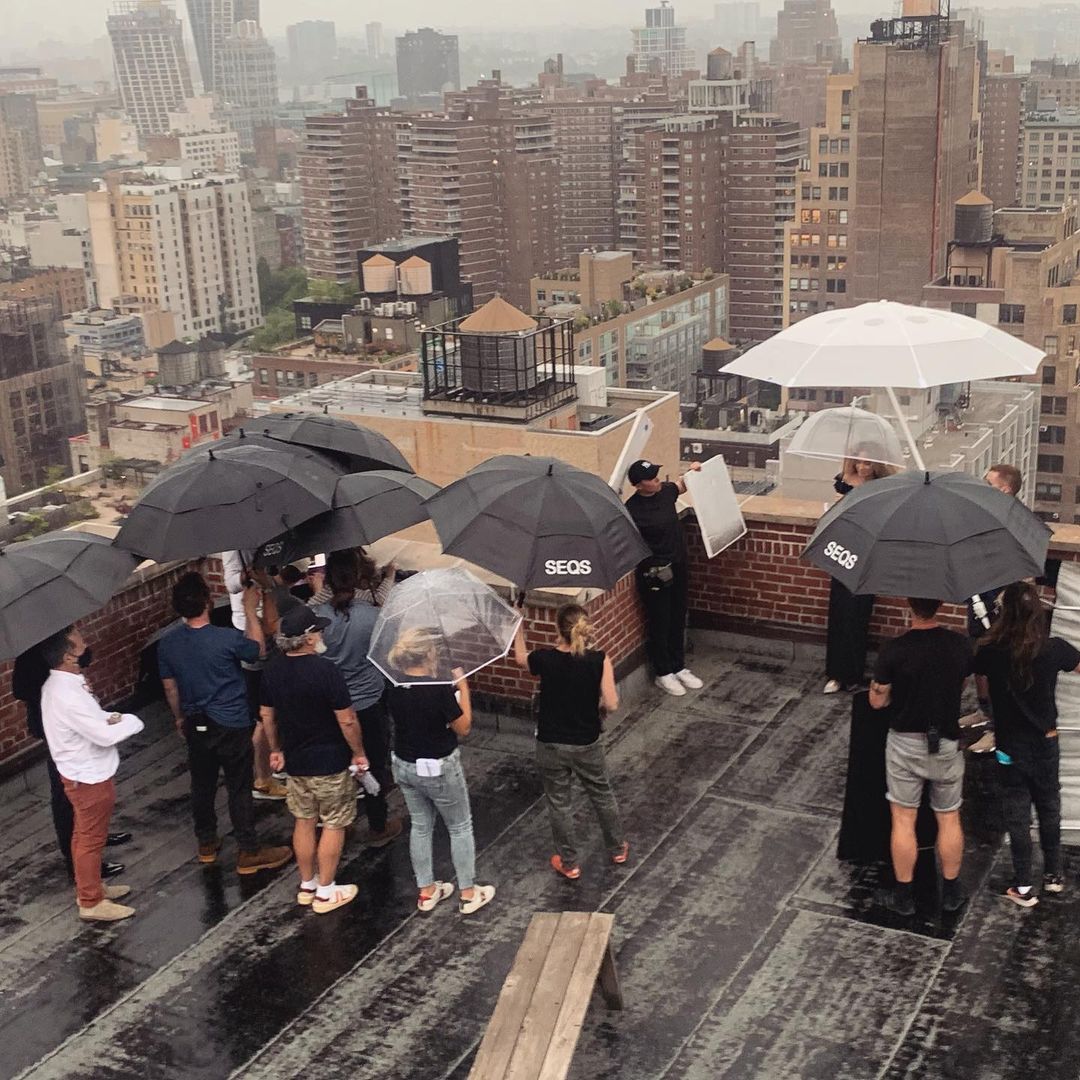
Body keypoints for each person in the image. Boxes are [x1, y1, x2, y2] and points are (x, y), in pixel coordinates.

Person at [157, 571, 292, 875]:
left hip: (195, 720)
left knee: (202, 784)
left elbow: (170, 688)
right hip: (231, 722)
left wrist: (179, 717)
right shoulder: (226, 639)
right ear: (207, 602)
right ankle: (248, 850)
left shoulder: (168, 645)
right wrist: (249, 610)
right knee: (238, 786)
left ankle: (206, 843)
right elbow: (257, 650)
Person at [973, 581, 1079, 907]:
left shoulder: (991, 651)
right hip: (1046, 742)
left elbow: (980, 680)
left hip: (1009, 747)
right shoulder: (1054, 649)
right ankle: (1054, 875)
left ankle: (1022, 886)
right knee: (1049, 808)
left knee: (1017, 814)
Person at [261, 606, 371, 914]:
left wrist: (276, 749)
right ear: (308, 638)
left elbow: (267, 715)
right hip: (330, 760)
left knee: (304, 820)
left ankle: (307, 885)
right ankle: (326, 890)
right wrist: (359, 752)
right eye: (318, 631)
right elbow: (347, 719)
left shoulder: (272, 670)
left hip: (296, 761)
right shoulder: (326, 670)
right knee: (334, 823)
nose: (322, 634)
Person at [870, 597, 973, 916]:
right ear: (939, 603)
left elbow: (877, 701)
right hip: (946, 742)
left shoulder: (894, 650)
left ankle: (904, 896)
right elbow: (963, 682)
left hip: (905, 743)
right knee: (949, 816)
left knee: (904, 819)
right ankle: (952, 892)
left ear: (909, 606)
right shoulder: (960, 645)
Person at [512, 605, 628, 879]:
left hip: (550, 743)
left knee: (559, 803)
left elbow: (519, 658)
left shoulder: (545, 659)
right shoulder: (599, 660)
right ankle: (617, 848)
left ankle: (569, 863)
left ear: (558, 629)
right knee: (601, 794)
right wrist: (598, 707)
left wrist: (518, 624)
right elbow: (612, 703)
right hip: (586, 742)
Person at [39, 626, 144, 922]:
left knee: (82, 835)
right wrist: (132, 721)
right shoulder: (66, 694)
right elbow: (103, 734)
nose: (85, 642)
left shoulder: (64, 686)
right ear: (68, 656)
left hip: (83, 772)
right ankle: (91, 901)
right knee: (91, 839)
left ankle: (90, 887)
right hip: (87, 776)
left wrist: (109, 719)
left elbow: (94, 720)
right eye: (79, 641)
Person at [387, 629, 495, 915]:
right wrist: (464, 689)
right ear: (428, 654)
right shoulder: (438, 688)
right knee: (459, 826)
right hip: (439, 766)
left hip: (405, 763)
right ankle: (468, 893)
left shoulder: (393, 684)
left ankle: (427, 891)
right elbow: (464, 727)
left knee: (421, 825)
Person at [14, 642, 130, 880]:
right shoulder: (30, 649)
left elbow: (86, 657)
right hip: (56, 726)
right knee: (65, 793)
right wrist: (55, 684)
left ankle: (96, 836)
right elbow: (21, 689)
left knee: (92, 783)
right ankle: (76, 860)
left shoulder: (60, 633)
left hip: (77, 719)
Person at [312, 551, 402, 847]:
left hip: (330, 705)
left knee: (337, 766)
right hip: (369, 702)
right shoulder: (371, 616)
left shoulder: (318, 617)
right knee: (373, 763)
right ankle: (378, 825)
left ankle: (341, 823)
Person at [624, 458, 704, 698]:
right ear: (639, 485)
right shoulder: (632, 510)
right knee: (660, 621)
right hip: (654, 572)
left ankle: (678, 666)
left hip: (678, 565)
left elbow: (681, 485)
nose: (657, 480)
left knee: (678, 616)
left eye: (657, 475)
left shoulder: (666, 492)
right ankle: (663, 672)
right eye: (651, 478)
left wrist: (693, 471)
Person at [963, 463, 1027, 755]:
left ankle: (996, 729)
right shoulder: (985, 516)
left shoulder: (1016, 521)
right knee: (979, 657)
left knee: (997, 664)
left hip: (997, 601)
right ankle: (984, 710)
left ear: (1005, 489)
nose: (983, 487)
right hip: (977, 594)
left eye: (989, 483)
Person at [221, 551, 287, 801]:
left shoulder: (267, 542)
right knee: (262, 711)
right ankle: (262, 778)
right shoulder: (233, 547)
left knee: (274, 704)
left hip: (270, 622)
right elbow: (230, 583)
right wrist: (245, 576)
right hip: (249, 627)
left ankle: (275, 761)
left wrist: (270, 581)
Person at [823, 455, 893, 694]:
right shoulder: (843, 483)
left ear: (877, 465)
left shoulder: (883, 487)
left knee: (859, 616)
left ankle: (853, 674)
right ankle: (834, 674)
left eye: (868, 463)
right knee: (839, 613)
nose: (862, 467)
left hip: (867, 554)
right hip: (844, 551)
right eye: (859, 462)